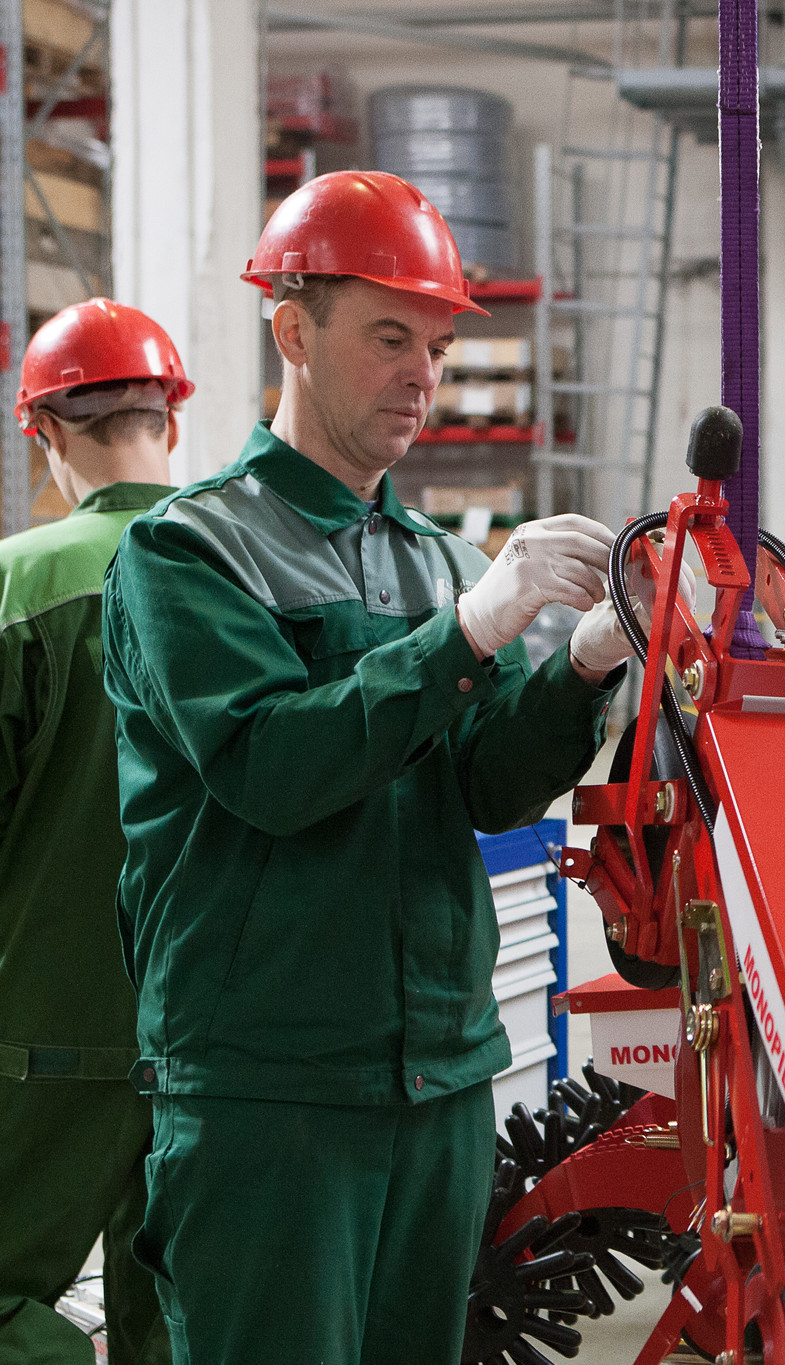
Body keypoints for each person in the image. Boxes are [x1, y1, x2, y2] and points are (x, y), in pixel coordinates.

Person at [99, 171, 639, 1365]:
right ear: (292, 332)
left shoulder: (433, 559)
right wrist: (467, 632)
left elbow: (488, 788)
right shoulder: (188, 552)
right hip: (269, 1088)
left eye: (437, 346)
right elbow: (271, 768)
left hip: (436, 1080)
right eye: (389, 336)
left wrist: (589, 662)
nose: (422, 375)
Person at [0, 299, 189, 1365]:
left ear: (48, 434)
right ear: (170, 417)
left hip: (45, 1034)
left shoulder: (21, 584)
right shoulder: (251, 573)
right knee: (183, 1319)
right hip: (216, 1036)